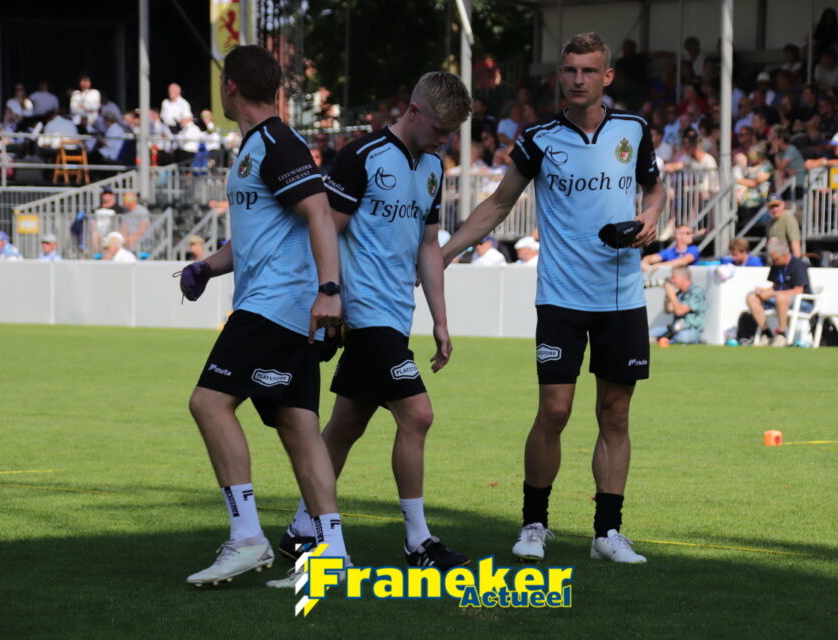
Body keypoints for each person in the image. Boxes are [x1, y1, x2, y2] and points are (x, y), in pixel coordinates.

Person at [441, 32, 666, 564]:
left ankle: (607, 533)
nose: (577, 79)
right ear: (560, 75)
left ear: (606, 76)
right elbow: (500, 202)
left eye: (588, 70)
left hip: (622, 297)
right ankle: (534, 524)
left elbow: (655, 187)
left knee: (615, 414)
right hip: (562, 297)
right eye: (569, 70)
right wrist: (445, 251)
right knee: (555, 410)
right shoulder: (538, 138)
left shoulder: (633, 130)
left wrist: (651, 215)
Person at [280, 71, 472, 571]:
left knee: (346, 425)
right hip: (363, 315)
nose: (444, 140)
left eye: (451, 133)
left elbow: (428, 245)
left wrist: (440, 320)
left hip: (397, 315)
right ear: (414, 111)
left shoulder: (433, 166)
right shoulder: (362, 156)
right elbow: (326, 229)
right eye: (439, 129)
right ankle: (418, 541)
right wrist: (328, 295)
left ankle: (301, 529)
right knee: (418, 415)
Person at [178, 44, 347, 588]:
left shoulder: (276, 143)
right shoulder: (259, 147)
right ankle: (333, 555)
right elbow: (258, 237)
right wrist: (207, 266)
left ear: (229, 86)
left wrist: (330, 291)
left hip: (275, 306)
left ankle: (247, 537)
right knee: (299, 427)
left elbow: (319, 212)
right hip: (287, 307)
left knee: (208, 402)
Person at [745, 237, 812, 346]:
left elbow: (798, 290)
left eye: (775, 259)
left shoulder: (798, 265)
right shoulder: (776, 265)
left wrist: (774, 294)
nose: (773, 262)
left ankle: (782, 334)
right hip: (780, 299)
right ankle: (767, 333)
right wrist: (762, 291)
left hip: (803, 303)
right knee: (752, 297)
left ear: (784, 255)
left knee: (780, 297)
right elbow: (775, 287)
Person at [649, 265, 706, 344]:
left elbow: (679, 311)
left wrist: (672, 294)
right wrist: (667, 295)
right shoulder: (679, 292)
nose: (671, 280)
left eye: (673, 277)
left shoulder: (697, 291)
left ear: (682, 277)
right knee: (649, 333)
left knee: (683, 337)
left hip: (691, 330)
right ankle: (664, 339)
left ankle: (663, 340)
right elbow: (668, 310)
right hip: (674, 328)